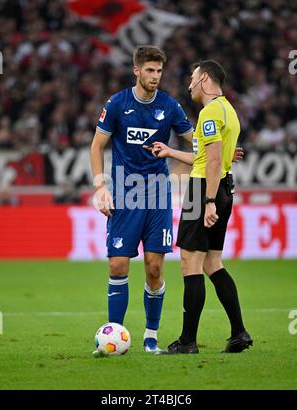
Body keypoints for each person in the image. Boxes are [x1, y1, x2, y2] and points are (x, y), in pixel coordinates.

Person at [90, 45, 194, 353]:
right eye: (149, 70)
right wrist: (100, 186)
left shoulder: (170, 106)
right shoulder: (118, 104)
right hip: (124, 194)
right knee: (118, 264)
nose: (155, 76)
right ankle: (113, 336)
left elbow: (198, 142)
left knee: (154, 268)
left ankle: (151, 338)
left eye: (159, 71)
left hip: (159, 195)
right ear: (137, 70)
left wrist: (218, 146)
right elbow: (96, 147)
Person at [146, 59, 252, 354]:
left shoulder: (208, 113)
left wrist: (207, 202)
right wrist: (169, 151)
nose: (189, 84)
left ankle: (188, 341)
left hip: (204, 190)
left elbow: (213, 162)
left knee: (189, 263)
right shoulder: (229, 110)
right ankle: (239, 333)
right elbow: (210, 158)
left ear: (205, 78)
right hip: (224, 187)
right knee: (212, 263)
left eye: (193, 78)